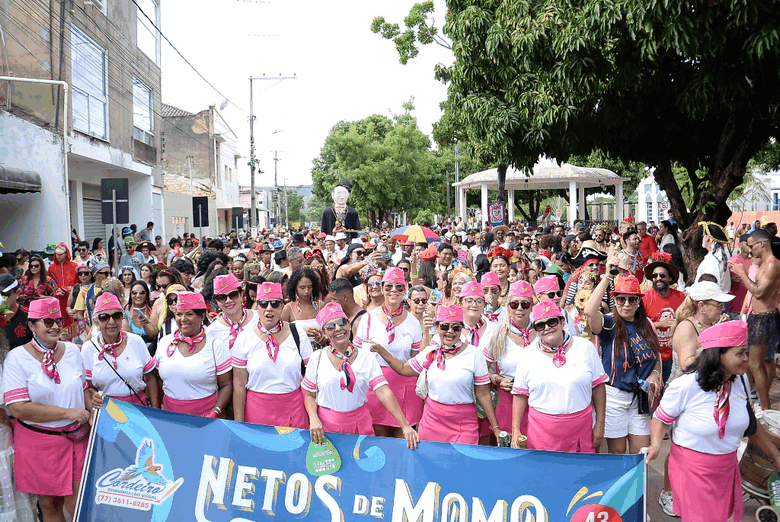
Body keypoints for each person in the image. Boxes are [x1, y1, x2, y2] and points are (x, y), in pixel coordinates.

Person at [647, 321, 780, 521]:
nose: (746, 358)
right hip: (692, 469)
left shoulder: (741, 380)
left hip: (726, 468)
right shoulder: (686, 385)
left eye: (746, 352)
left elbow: (752, 425)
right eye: (740, 353)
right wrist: (656, 445)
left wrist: (775, 455)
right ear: (718, 355)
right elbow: (660, 418)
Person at [2, 297, 92, 521]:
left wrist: (94, 402)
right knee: (50, 505)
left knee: (79, 503)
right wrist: (66, 413)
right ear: (31, 326)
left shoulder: (73, 351)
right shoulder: (17, 358)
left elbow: (83, 389)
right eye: (48, 321)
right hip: (39, 442)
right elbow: (18, 408)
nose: (55, 326)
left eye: (58, 321)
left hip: (77, 438)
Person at [370, 305, 501, 445]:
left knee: (462, 458)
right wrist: (381, 350)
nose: (450, 332)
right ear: (437, 327)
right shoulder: (431, 353)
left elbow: (483, 394)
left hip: (463, 423)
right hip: (432, 420)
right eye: (445, 326)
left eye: (456, 328)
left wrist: (495, 427)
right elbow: (403, 368)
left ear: (461, 329)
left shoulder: (474, 354)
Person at [657, 280, 733, 516]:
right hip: (684, 396)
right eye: (717, 304)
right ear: (702, 306)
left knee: (697, 446)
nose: (722, 308)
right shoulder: (686, 327)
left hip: (705, 392)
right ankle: (668, 492)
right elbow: (688, 364)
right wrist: (715, 341)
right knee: (680, 445)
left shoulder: (709, 324)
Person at [303, 303, 418, 448]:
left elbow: (383, 391)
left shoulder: (366, 357)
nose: (338, 328)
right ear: (324, 332)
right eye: (330, 326)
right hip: (327, 428)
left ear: (349, 325)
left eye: (342, 322)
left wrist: (405, 425)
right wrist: (313, 419)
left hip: (360, 425)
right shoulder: (317, 358)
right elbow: (309, 395)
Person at [510, 300, 607, 452]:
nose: (547, 328)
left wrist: (600, 423)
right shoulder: (527, 355)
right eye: (540, 325)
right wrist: (515, 429)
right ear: (536, 330)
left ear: (562, 322)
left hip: (581, 428)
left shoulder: (585, 347)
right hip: (541, 432)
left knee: (581, 467)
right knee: (543, 467)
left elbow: (598, 387)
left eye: (552, 322)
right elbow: (520, 395)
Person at [584, 272, 662, 455]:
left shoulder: (647, 324)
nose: (626, 304)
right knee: (617, 451)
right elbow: (589, 311)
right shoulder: (609, 323)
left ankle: (637, 477)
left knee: (640, 452)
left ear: (638, 302)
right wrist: (607, 277)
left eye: (632, 299)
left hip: (641, 397)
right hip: (614, 396)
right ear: (615, 300)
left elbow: (656, 358)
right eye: (621, 299)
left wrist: (655, 375)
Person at [354, 268, 423, 437]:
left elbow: (415, 359)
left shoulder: (413, 322)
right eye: (389, 286)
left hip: (405, 387)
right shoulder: (368, 318)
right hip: (376, 386)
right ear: (382, 288)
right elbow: (357, 354)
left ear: (405, 289)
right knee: (379, 441)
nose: (394, 290)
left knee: (403, 442)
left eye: (399, 287)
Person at [232, 282, 312, 428]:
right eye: (263, 304)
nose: (269, 308)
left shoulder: (297, 334)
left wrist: (313, 417)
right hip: (257, 411)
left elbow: (310, 378)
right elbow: (239, 384)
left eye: (275, 304)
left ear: (282, 306)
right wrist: (239, 424)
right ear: (256, 306)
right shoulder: (244, 338)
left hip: (293, 409)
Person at [155, 292, 232, 417]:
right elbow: (158, 379)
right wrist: (159, 408)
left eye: (189, 314)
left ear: (202, 316)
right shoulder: (165, 343)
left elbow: (226, 385)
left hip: (206, 417)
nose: (183, 319)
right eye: (179, 314)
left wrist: (215, 411)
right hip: (170, 417)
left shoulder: (215, 345)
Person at [729, 227, 780, 412]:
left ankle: (765, 407)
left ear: (762, 244)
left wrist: (742, 273)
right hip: (758, 317)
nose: (750, 251)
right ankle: (764, 405)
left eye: (752, 246)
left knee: (755, 363)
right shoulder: (764, 263)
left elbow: (758, 292)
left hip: (764, 318)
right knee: (759, 363)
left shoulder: (773, 264)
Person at [83, 293, 160, 406]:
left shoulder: (136, 341)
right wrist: (93, 395)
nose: (111, 321)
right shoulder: (89, 348)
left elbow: (150, 378)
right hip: (106, 409)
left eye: (116, 315)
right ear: (96, 321)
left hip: (137, 407)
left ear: (122, 318)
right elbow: (88, 386)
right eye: (104, 317)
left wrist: (155, 410)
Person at [484, 280, 536, 436]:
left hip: (538, 400)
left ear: (532, 307)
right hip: (508, 401)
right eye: (514, 304)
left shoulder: (543, 333)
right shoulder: (497, 335)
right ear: (508, 307)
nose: (519, 308)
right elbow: (482, 371)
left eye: (525, 304)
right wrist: (497, 379)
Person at [642, 252, 686, 383]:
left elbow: (687, 321)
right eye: (654, 276)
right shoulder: (645, 298)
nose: (658, 278)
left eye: (662, 275)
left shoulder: (680, 297)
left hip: (674, 355)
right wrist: (659, 324)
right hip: (652, 355)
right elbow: (638, 325)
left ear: (670, 278)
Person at [207, 274, 258, 350]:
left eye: (233, 295)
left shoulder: (258, 318)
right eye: (222, 297)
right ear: (217, 301)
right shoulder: (212, 331)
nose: (228, 301)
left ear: (241, 295)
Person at [695, 222, 731, 293]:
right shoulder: (719, 256)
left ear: (707, 239)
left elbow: (710, 287)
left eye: (703, 236)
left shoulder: (712, 260)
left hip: (713, 298)